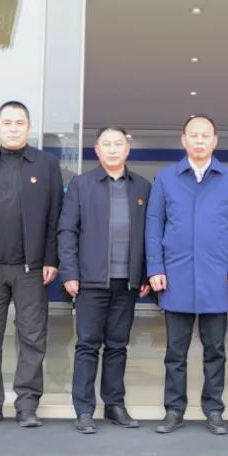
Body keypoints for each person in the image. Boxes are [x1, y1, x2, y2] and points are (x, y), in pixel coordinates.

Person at [146, 115, 228, 435]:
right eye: (194, 135)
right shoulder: (166, 178)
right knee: (174, 353)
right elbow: (154, 224)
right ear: (183, 140)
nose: (200, 140)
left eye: (206, 135)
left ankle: (214, 410)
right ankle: (174, 410)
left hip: (216, 277)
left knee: (215, 350)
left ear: (215, 141)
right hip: (175, 276)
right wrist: (155, 267)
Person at [0, 101, 63, 427]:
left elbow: (55, 215)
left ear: (28, 128)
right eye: (7, 122)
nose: (13, 128)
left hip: (30, 268)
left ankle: (27, 405)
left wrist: (50, 258)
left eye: (19, 123)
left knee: (32, 338)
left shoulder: (46, 164)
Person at [59, 127, 152, 434]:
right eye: (106, 144)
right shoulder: (81, 184)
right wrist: (70, 272)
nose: (113, 149)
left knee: (118, 345)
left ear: (128, 148)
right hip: (90, 280)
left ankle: (114, 404)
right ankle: (84, 409)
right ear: (97, 150)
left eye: (118, 144)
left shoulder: (142, 187)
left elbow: (150, 234)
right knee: (87, 345)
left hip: (127, 281)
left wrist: (145, 273)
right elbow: (67, 231)